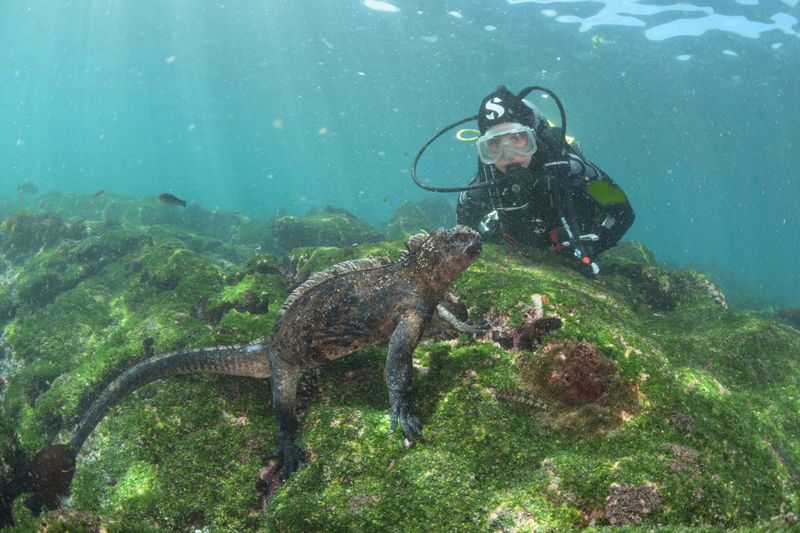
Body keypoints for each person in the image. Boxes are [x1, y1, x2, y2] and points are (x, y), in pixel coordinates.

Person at [456, 86, 635, 275]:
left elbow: (624, 212)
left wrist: (593, 246)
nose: (509, 155)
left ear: (533, 136)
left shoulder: (573, 170)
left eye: (517, 138)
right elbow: (461, 234)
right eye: (494, 143)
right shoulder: (479, 188)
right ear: (485, 150)